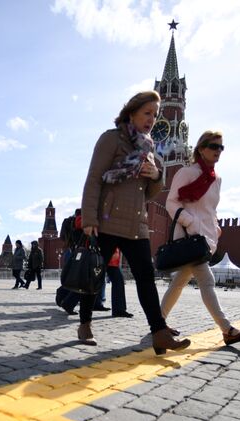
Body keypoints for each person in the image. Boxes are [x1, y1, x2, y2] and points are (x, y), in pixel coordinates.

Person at [80, 90, 190, 354]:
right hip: (107, 221)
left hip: (137, 224)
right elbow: (94, 178)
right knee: (95, 275)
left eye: (155, 114)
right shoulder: (112, 139)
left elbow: (150, 195)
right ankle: (84, 323)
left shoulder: (150, 148)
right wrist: (89, 218)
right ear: (132, 112)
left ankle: (159, 332)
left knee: (145, 278)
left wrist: (156, 176)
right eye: (147, 113)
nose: (152, 119)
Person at [160, 130, 240, 346]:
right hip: (189, 237)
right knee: (207, 280)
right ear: (201, 149)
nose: (218, 151)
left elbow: (211, 209)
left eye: (221, 147)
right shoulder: (186, 173)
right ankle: (227, 329)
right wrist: (190, 222)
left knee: (179, 282)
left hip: (206, 238)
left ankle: (158, 322)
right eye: (213, 146)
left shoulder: (217, 179)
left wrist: (216, 227)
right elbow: (171, 203)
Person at [108, 248, 133, 318]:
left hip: (113, 262)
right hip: (109, 260)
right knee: (118, 283)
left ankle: (119, 310)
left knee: (119, 282)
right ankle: (118, 310)